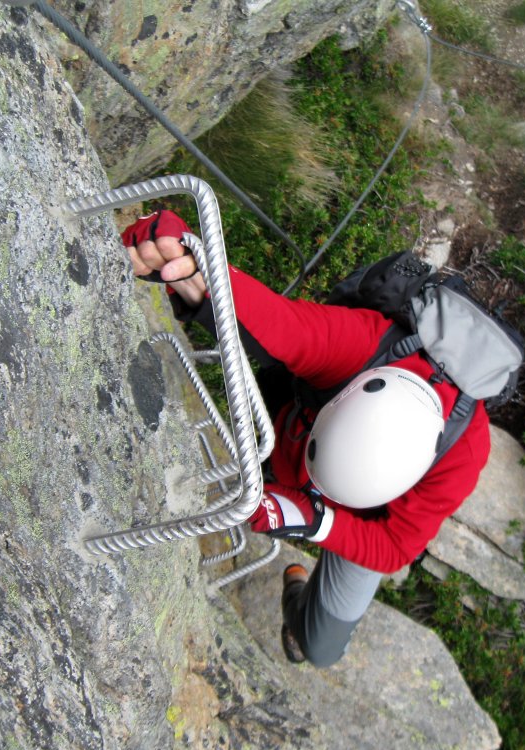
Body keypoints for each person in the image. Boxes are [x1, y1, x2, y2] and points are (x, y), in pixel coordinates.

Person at [122, 210, 491, 667]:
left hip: (361, 519)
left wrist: (319, 523)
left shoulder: (462, 450)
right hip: (294, 441)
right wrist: (191, 259)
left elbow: (395, 546)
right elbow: (281, 323)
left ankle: (295, 592)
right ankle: (286, 471)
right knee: (250, 482)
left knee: (316, 649)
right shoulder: (364, 348)